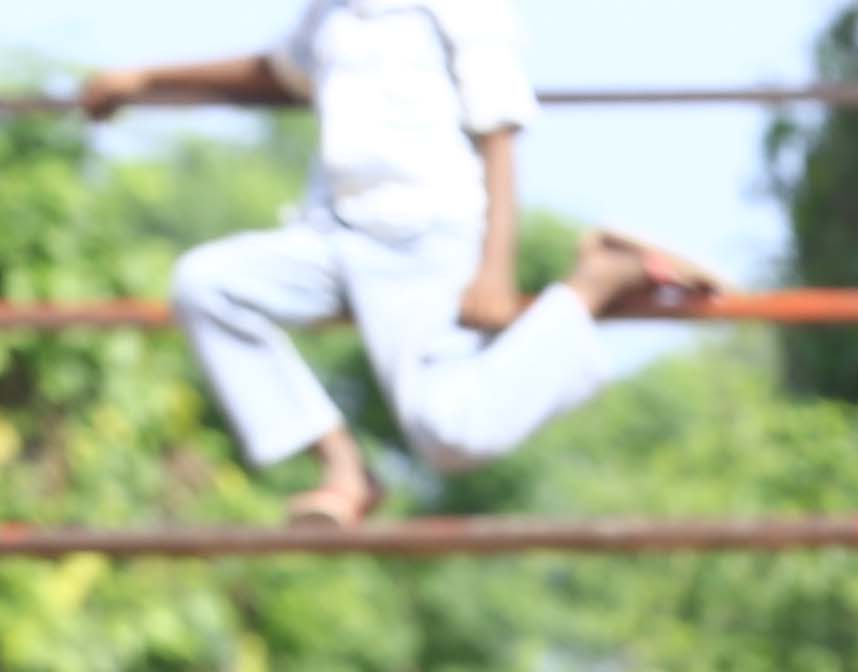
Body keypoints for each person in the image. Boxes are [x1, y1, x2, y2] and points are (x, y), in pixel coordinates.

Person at [85, 0, 717, 528]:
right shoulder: (332, 11)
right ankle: (344, 468)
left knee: (452, 433)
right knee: (207, 282)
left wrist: (494, 268)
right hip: (333, 232)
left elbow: (499, 133)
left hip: (425, 238)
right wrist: (143, 81)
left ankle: (595, 281)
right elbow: (279, 74)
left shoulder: (459, 9)